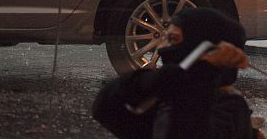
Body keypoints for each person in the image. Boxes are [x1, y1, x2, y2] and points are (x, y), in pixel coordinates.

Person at [92, 7, 255, 139]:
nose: (162, 48)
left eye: (173, 39)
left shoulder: (230, 110)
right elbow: (105, 107)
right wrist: (153, 81)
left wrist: (201, 73)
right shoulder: (169, 93)